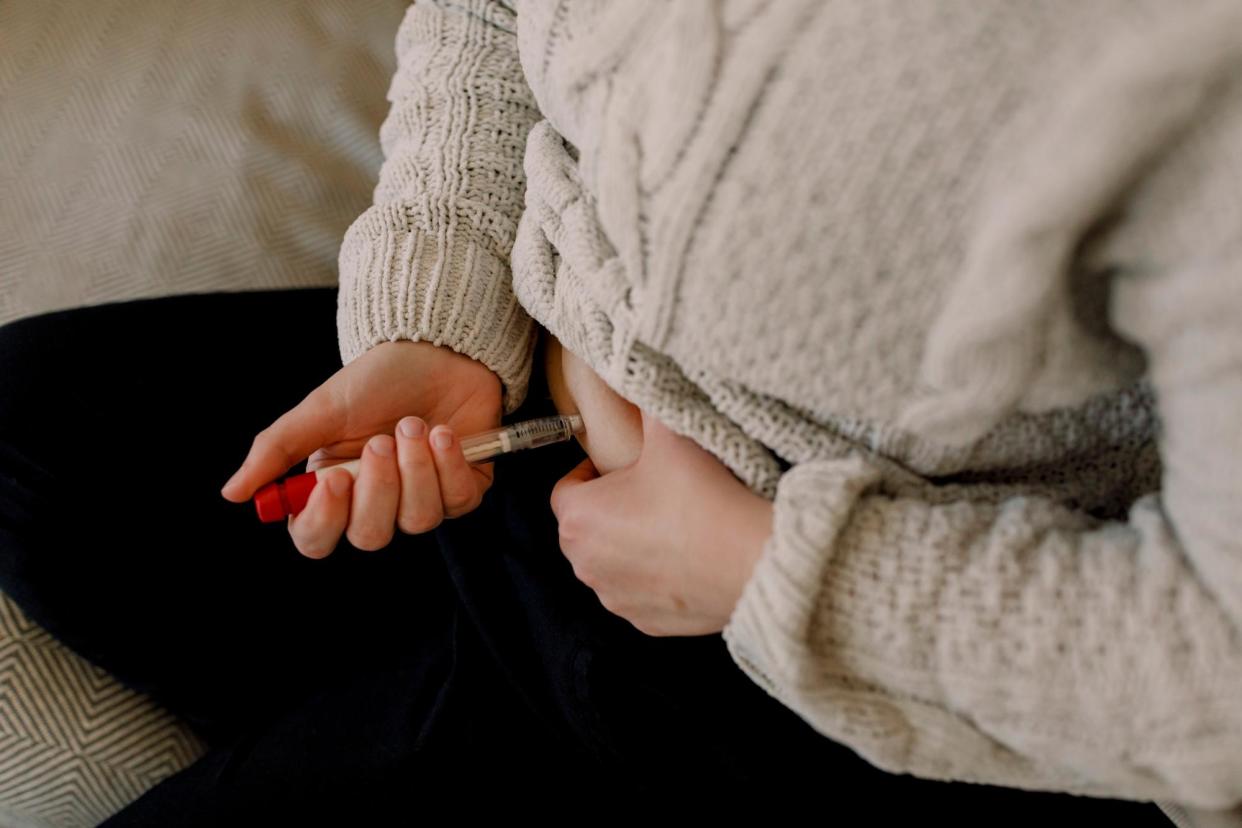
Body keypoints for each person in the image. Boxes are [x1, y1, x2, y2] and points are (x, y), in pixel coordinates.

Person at [1, 0, 1239, 823]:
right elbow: (491, 12)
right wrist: (433, 315)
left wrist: (764, 574)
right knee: (26, 442)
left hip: (816, 633)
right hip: (532, 396)